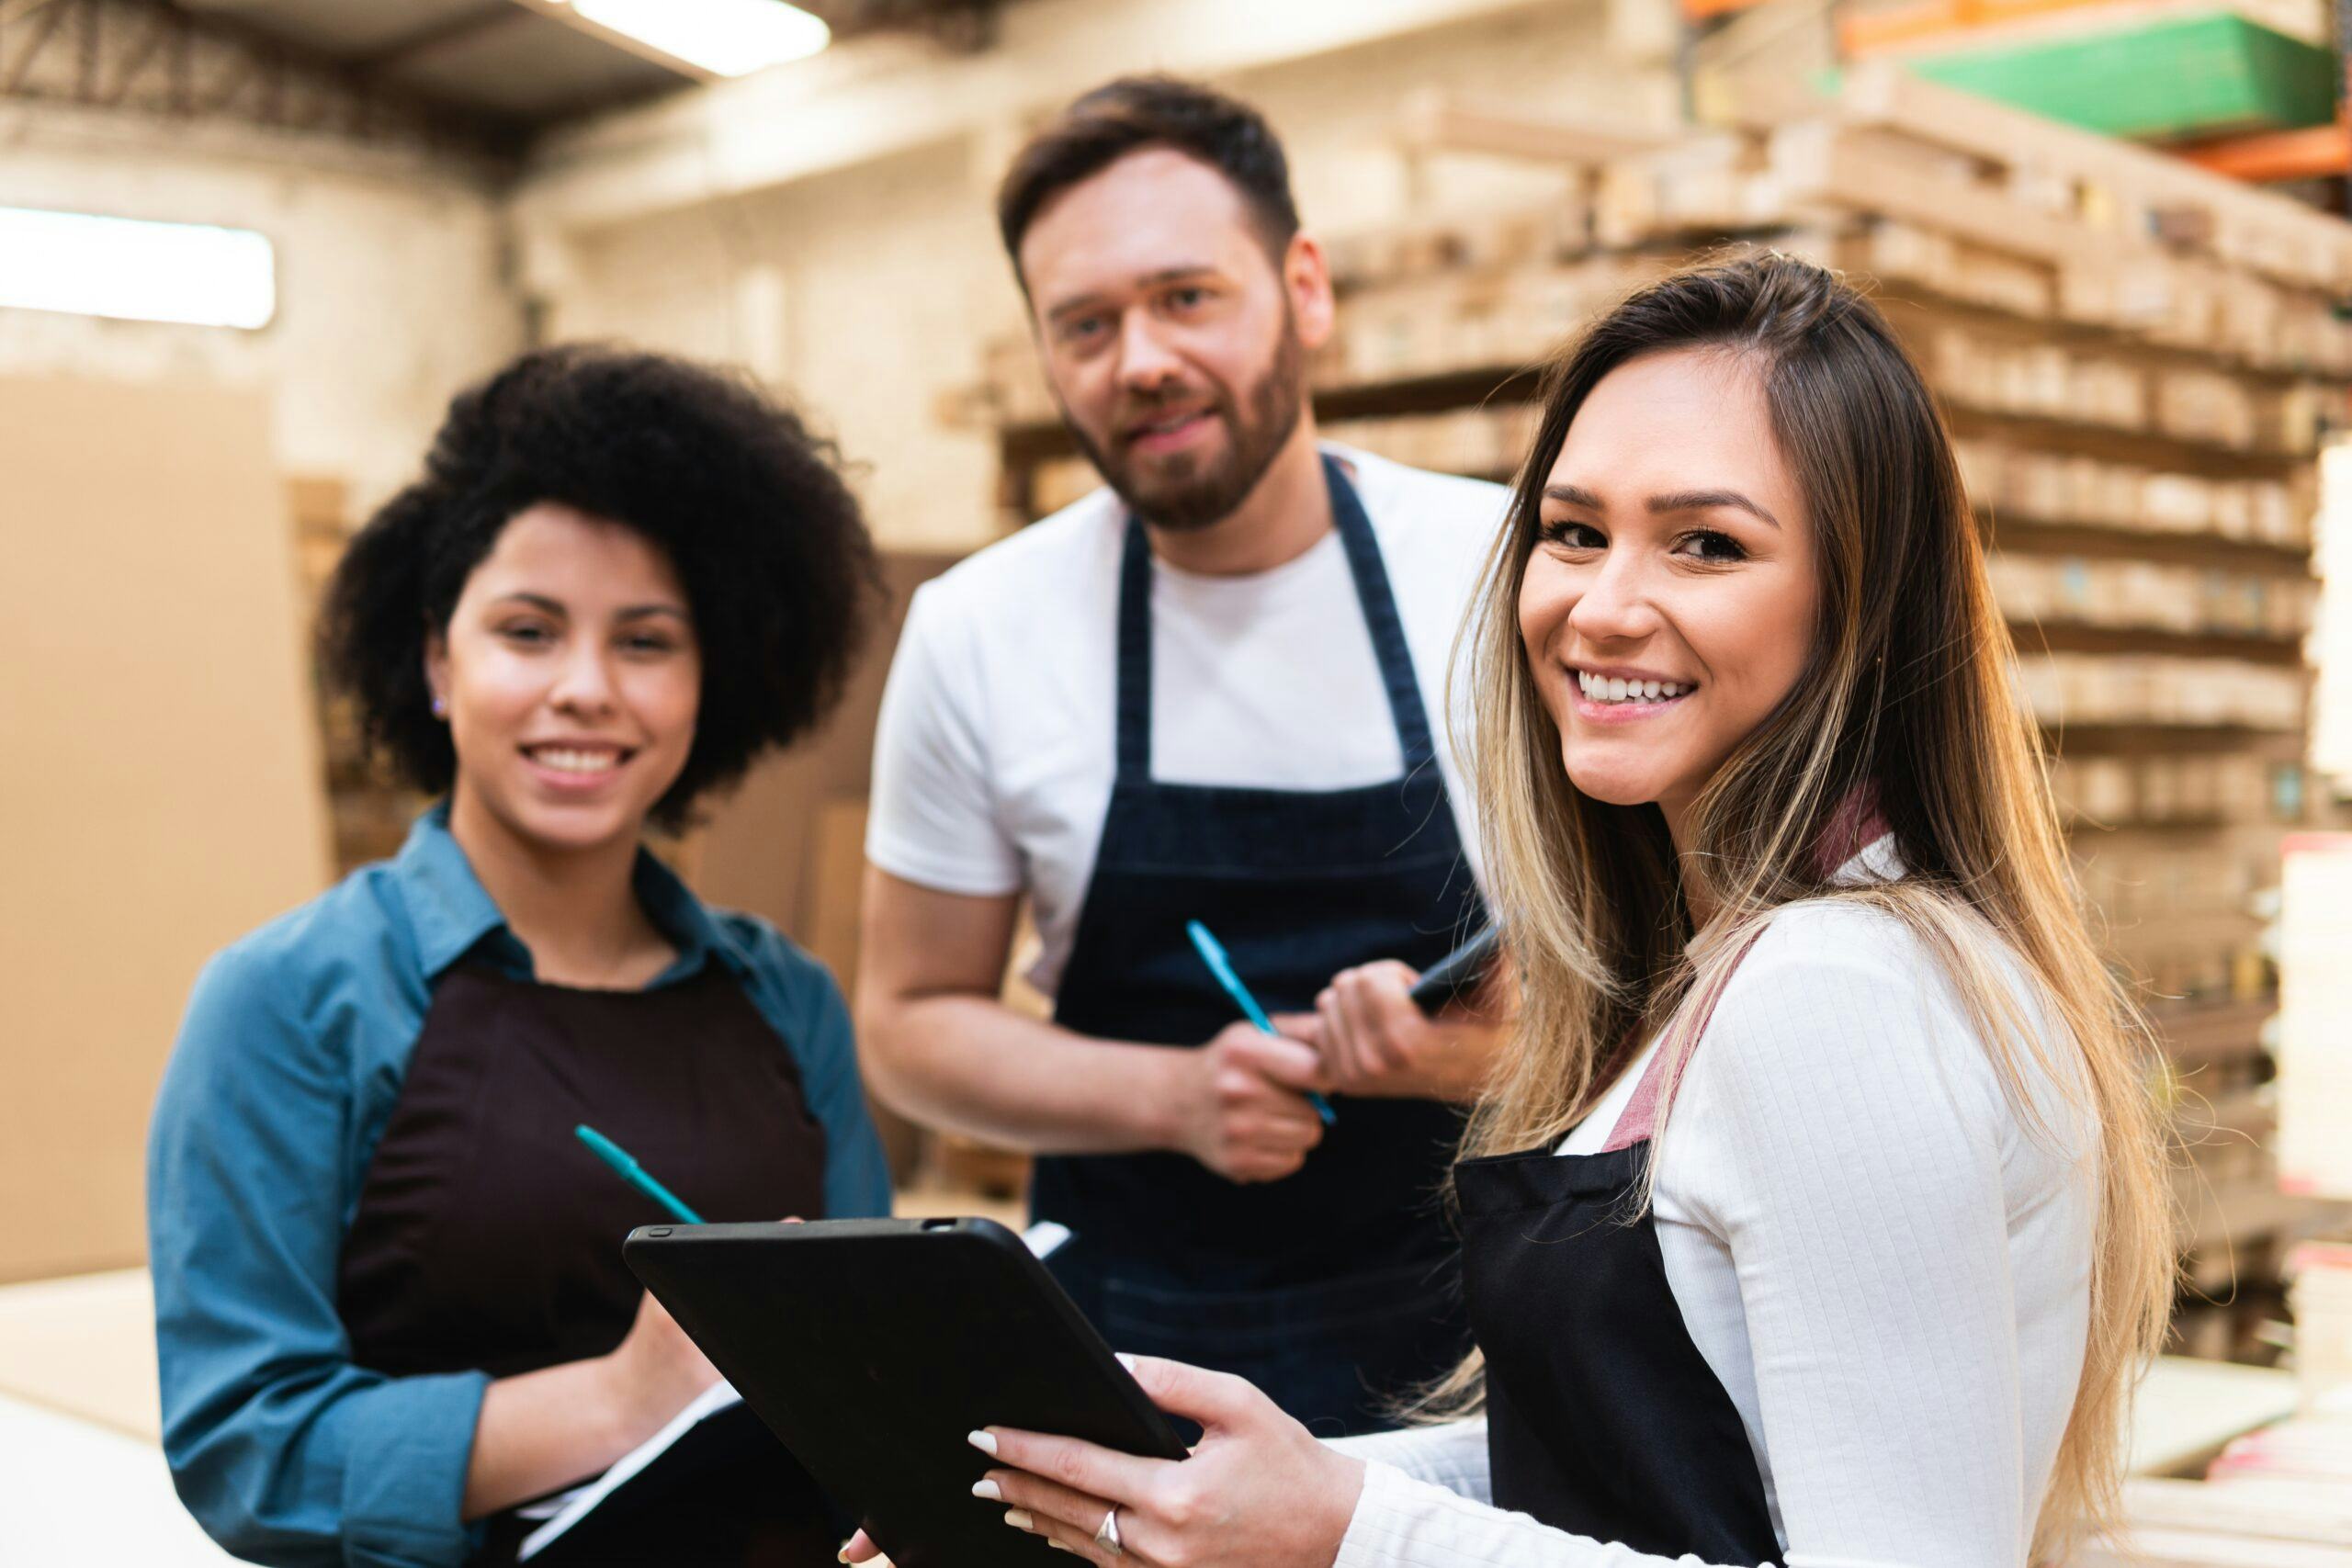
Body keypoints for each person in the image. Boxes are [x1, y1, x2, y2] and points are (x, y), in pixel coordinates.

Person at [904, 254, 2178, 1567]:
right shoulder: (1730, 967)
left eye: (1707, 544)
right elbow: (1638, 1457)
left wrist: (1344, 1535)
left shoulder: (1832, 996)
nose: (1602, 608)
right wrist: (1163, 1494)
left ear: (1860, 608)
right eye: (1573, 533)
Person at [147, 346, 893, 1566]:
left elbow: (875, 1380)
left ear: (713, 682)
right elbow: (249, 1449)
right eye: (529, 632)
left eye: (647, 642)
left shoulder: (788, 1002)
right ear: (439, 666)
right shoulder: (287, 1001)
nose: (586, 689)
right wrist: (618, 1399)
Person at [857, 75, 1510, 1436]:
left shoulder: (1504, 575)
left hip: (1489, 1359)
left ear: (1305, 289)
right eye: (1084, 325)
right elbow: (910, 1026)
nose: (1138, 358)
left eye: (1187, 297)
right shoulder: (980, 631)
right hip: (1132, 1375)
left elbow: (1667, 989)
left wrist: (1463, 1060)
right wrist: (1173, 1096)